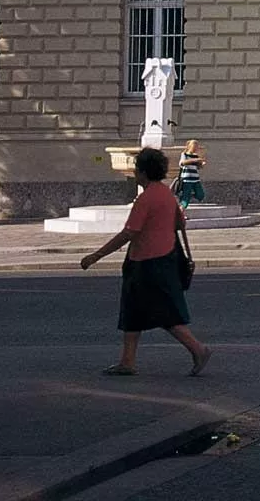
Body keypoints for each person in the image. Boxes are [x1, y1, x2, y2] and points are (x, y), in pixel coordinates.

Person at [79, 147, 209, 377]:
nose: (135, 173)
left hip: (147, 262)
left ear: (143, 173)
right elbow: (180, 223)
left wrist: (95, 256)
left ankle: (198, 349)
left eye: (137, 169)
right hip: (164, 257)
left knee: (163, 313)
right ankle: (127, 361)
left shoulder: (146, 198)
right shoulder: (167, 194)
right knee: (133, 311)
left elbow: (128, 232)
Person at [175, 140, 206, 207]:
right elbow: (182, 163)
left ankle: (188, 195)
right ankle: (181, 212)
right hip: (187, 180)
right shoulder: (184, 154)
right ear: (191, 147)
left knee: (201, 195)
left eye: (197, 147)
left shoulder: (196, 156)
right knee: (185, 200)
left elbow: (197, 167)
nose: (197, 148)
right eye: (195, 147)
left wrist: (201, 165)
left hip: (196, 179)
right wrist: (195, 160)